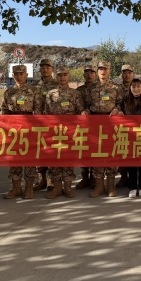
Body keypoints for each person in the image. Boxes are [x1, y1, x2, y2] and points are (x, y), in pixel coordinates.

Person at [43, 66, 89, 199]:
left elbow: (80, 110)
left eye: (64, 75)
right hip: (55, 131)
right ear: (56, 77)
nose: (62, 77)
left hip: (70, 131)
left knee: (68, 159)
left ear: (69, 76)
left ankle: (68, 187)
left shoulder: (75, 94)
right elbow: (46, 113)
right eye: (59, 75)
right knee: (55, 159)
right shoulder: (51, 94)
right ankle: (57, 187)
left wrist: (84, 113)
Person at [1, 65, 42, 199]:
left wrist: (36, 128)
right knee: (14, 159)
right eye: (16, 74)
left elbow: (38, 111)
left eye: (21, 73)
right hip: (13, 129)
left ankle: (29, 188)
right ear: (13, 76)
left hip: (29, 128)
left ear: (26, 75)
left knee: (29, 159)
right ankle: (16, 188)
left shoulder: (34, 91)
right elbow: (4, 112)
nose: (19, 76)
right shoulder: (8, 92)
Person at [86, 60, 124, 197]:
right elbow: (86, 105)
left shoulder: (116, 87)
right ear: (97, 71)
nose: (103, 71)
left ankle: (110, 186)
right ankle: (99, 186)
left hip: (110, 124)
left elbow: (120, 103)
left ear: (110, 71)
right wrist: (85, 111)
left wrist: (117, 109)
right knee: (97, 154)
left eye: (105, 69)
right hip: (95, 124)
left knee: (111, 153)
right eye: (100, 69)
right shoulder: (91, 88)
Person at [122, 78, 141, 197]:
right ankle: (132, 187)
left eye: (138, 86)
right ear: (130, 88)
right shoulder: (126, 101)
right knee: (131, 162)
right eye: (133, 87)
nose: (136, 89)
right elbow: (122, 114)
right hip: (130, 135)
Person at [32, 59, 59, 192]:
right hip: (37, 123)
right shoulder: (34, 85)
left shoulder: (57, 84)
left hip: (52, 123)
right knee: (39, 150)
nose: (45, 70)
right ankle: (41, 179)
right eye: (42, 67)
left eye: (48, 67)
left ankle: (50, 180)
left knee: (51, 150)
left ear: (52, 69)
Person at [75, 64, 98, 190]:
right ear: (83, 74)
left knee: (94, 150)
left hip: (97, 125)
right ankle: (84, 177)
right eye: (87, 72)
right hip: (82, 125)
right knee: (83, 150)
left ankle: (94, 178)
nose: (89, 75)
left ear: (95, 74)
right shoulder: (79, 90)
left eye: (92, 72)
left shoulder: (99, 88)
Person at [116, 64, 136, 189]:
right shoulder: (116, 88)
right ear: (121, 75)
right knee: (122, 151)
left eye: (129, 73)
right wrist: (118, 110)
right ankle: (123, 176)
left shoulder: (137, 86)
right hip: (121, 124)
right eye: (124, 73)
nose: (127, 75)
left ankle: (134, 177)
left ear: (133, 74)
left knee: (134, 151)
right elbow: (115, 103)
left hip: (135, 124)